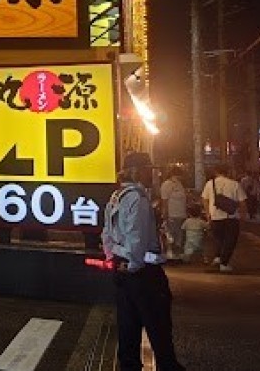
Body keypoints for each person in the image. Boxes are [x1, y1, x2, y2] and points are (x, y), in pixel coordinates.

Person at [102, 151, 186, 371]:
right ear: (137, 172)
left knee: (128, 329)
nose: (152, 174)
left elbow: (106, 236)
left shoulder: (116, 196)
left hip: (123, 272)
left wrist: (116, 259)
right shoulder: (137, 199)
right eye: (149, 170)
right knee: (158, 327)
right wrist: (133, 264)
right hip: (144, 274)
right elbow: (136, 241)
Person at [201, 164, 247, 272]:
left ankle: (218, 258)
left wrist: (208, 214)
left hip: (215, 217)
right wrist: (243, 216)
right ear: (228, 172)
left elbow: (204, 199)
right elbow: (242, 202)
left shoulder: (210, 184)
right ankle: (224, 263)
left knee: (218, 239)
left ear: (216, 171)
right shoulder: (235, 184)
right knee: (230, 240)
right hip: (231, 217)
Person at [158, 165, 187, 260]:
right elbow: (164, 200)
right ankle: (169, 253)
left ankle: (177, 254)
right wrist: (165, 213)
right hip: (172, 214)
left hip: (181, 214)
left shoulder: (179, 184)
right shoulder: (167, 184)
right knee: (170, 235)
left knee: (179, 235)